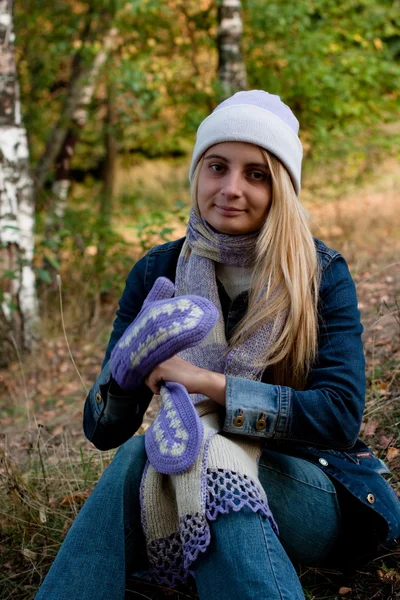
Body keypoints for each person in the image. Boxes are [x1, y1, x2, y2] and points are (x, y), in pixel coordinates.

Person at [35, 91, 400, 600]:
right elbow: (103, 431)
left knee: (200, 453)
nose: (230, 189)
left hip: (314, 490)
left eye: (255, 174)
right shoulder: (158, 272)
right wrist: (123, 375)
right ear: (196, 174)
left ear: (282, 188)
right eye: (216, 167)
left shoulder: (318, 274)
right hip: (193, 471)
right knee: (155, 452)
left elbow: (339, 417)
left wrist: (206, 383)